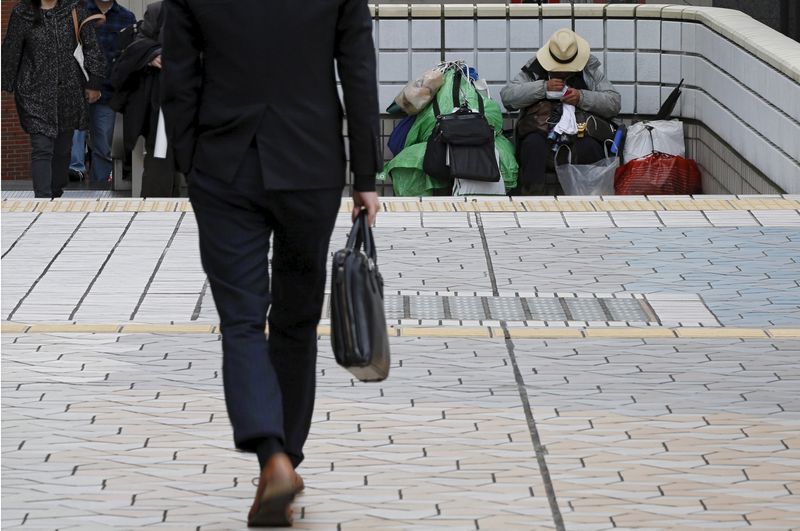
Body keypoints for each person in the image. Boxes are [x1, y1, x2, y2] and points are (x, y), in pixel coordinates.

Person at [161, 0, 381, 526]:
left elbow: (179, 77)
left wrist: (189, 161)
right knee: (296, 321)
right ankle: (284, 460)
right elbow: (358, 73)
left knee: (241, 320)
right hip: (311, 162)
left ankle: (272, 459)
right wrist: (367, 176)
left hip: (223, 164)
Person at [1, 0, 106, 198]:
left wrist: (94, 82)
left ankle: (55, 193)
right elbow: (11, 48)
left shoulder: (75, 9)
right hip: (33, 91)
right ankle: (42, 199)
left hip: (69, 92)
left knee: (63, 149)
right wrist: (6, 81)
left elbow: (92, 47)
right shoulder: (22, 12)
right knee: (42, 147)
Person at [501, 28, 621, 195]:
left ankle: (591, 199)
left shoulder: (588, 69)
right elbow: (508, 97)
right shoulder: (535, 69)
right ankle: (531, 199)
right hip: (541, 130)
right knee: (532, 145)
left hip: (581, 131)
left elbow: (613, 103)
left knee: (590, 147)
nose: (563, 70)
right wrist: (542, 88)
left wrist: (581, 97)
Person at [110, 0, 181, 197]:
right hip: (163, 103)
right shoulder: (158, 11)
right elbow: (138, 45)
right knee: (160, 160)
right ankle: (153, 213)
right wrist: (153, 54)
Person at [69, 0, 135, 186]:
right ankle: (73, 183)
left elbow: (129, 56)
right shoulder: (77, 12)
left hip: (108, 92)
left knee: (103, 146)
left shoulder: (126, 17)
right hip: (76, 90)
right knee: (72, 141)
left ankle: (100, 188)